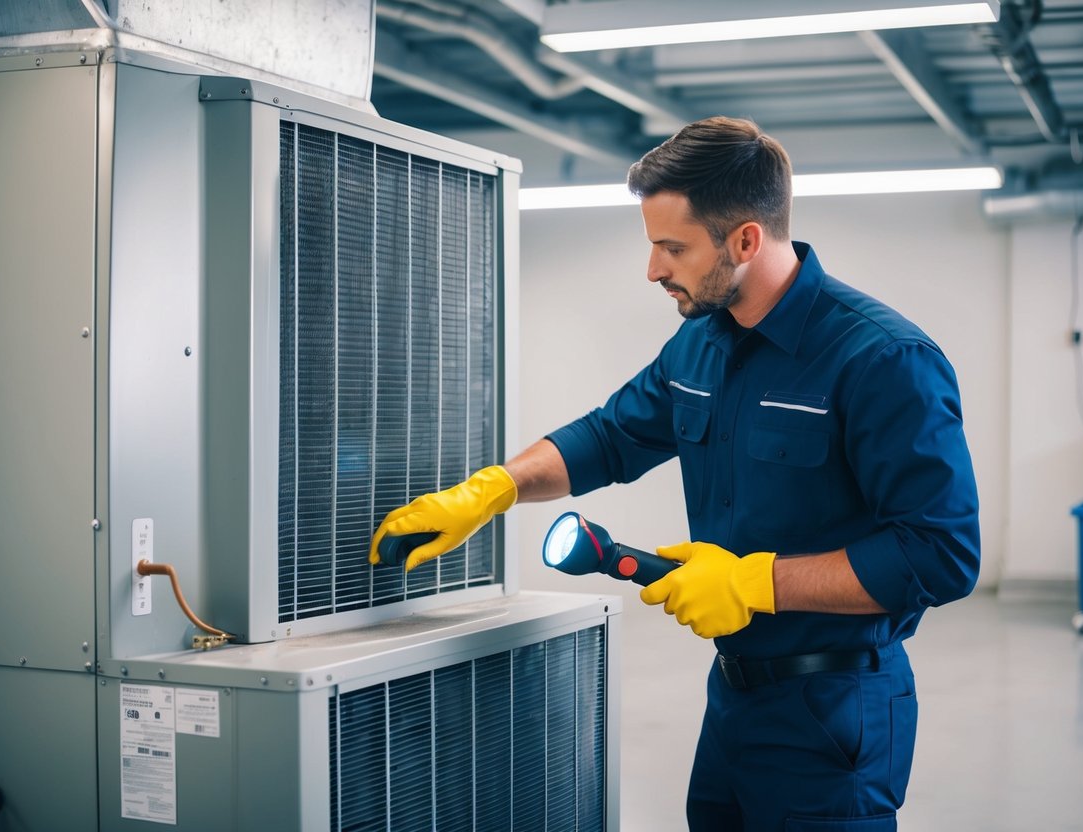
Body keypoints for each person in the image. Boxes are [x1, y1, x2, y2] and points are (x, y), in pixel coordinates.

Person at [369, 116, 980, 831]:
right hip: (732, 697)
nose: (653, 269)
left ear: (745, 240)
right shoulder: (700, 343)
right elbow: (610, 435)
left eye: (671, 248)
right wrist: (491, 489)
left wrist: (753, 582)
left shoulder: (880, 360)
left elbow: (941, 554)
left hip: (835, 708)